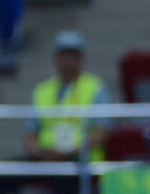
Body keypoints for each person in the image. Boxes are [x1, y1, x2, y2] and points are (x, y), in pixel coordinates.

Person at [24, 31, 112, 162]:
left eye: (72, 54)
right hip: (45, 155)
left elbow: (102, 132)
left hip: (79, 157)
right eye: (63, 54)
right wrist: (37, 151)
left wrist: (70, 151)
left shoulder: (96, 88)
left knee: (66, 174)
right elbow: (30, 133)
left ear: (82, 58)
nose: (68, 59)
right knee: (2, 175)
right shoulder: (41, 91)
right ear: (55, 57)